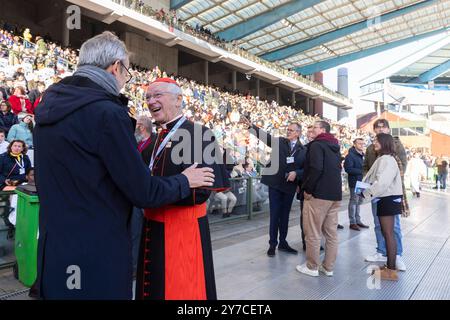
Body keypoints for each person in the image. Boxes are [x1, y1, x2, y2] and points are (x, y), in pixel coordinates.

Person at [33, 32, 215, 300]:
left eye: (158, 95)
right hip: (96, 258)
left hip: (55, 254)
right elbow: (143, 191)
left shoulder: (48, 106)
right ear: (115, 67)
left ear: (178, 99)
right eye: (126, 74)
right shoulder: (107, 112)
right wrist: (185, 180)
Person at [136, 77, 229, 300]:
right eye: (148, 97)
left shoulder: (199, 134)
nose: (151, 101)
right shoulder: (156, 139)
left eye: (158, 95)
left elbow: (200, 192)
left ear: (179, 100)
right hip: (151, 228)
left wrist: (154, 192)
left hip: (182, 232)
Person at [241, 116, 303, 257]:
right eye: (287, 129)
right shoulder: (280, 141)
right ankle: (272, 244)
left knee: (285, 216)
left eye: (291, 130)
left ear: (298, 133)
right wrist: (251, 127)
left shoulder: (303, 149)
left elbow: (304, 169)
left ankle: (283, 243)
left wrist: (296, 173)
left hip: (289, 186)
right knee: (275, 215)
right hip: (275, 184)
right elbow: (265, 137)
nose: (288, 132)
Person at [296, 121, 342, 277]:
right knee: (331, 233)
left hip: (319, 195)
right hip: (334, 195)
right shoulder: (334, 145)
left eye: (314, 127)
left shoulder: (317, 145)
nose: (311, 129)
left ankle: (312, 266)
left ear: (323, 130)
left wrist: (308, 189)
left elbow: (316, 168)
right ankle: (328, 267)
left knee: (313, 232)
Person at [363, 119, 407, 271]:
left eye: (377, 141)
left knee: (390, 231)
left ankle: (393, 262)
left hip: (386, 196)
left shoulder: (388, 158)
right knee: (382, 229)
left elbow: (382, 182)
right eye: (377, 128)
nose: (374, 142)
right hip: (382, 197)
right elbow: (368, 170)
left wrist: (367, 193)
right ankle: (386, 258)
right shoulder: (378, 154)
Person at [344, 138, 369, 231]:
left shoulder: (363, 155)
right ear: (354, 144)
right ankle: (352, 222)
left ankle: (358, 220)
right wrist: (362, 172)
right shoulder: (350, 156)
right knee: (354, 201)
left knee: (359, 202)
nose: (362, 145)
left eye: (363, 143)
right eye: (359, 143)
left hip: (362, 183)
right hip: (355, 182)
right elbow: (348, 169)